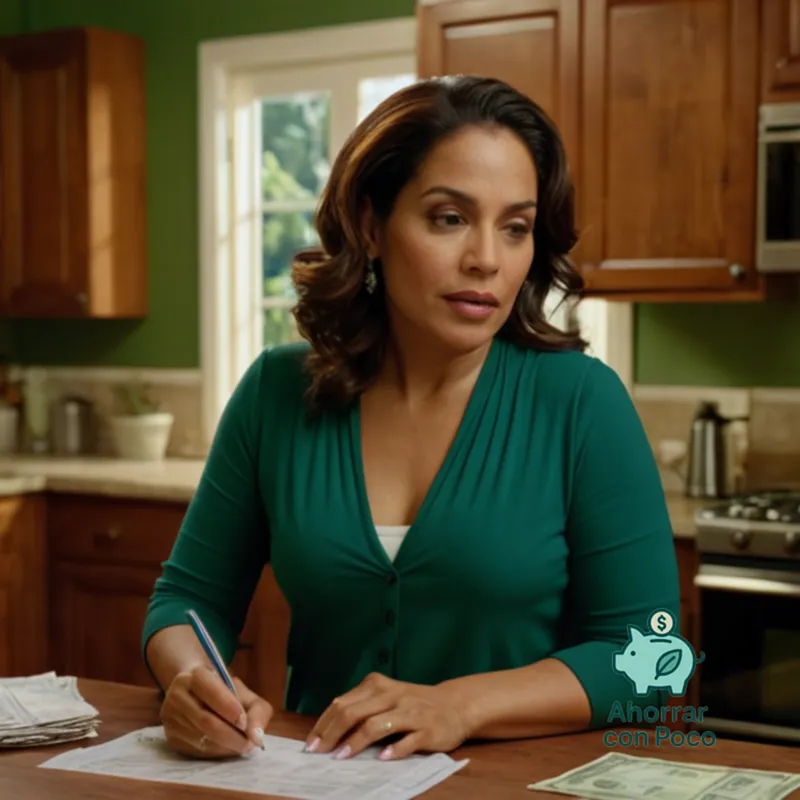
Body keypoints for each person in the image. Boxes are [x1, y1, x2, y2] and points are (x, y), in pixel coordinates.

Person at [141, 74, 681, 762]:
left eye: (515, 227)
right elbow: (187, 600)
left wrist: (460, 704)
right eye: (449, 218)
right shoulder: (276, 393)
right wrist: (191, 678)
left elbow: (651, 653)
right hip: (316, 782)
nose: (486, 258)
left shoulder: (581, 401)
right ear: (372, 225)